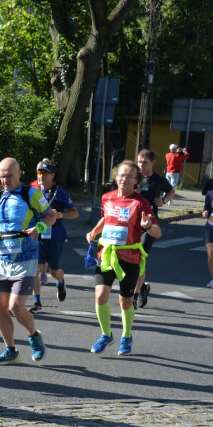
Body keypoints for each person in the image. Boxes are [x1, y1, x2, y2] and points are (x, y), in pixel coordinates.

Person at [0, 158, 56, 364]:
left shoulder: (32, 194)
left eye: (9, 176)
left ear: (19, 173)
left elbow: (51, 216)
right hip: (2, 258)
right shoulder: (1, 196)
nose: (4, 180)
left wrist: (38, 228)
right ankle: (11, 350)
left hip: (26, 259)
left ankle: (33, 335)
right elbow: (3, 225)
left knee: (15, 306)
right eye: (1, 176)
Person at [86, 161, 161, 355]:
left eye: (129, 176)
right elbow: (106, 217)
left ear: (136, 180)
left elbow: (157, 232)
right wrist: (94, 231)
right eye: (120, 174)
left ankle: (126, 336)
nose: (123, 179)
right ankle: (106, 334)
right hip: (107, 254)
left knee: (124, 301)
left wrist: (147, 226)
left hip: (130, 257)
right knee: (100, 296)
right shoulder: (107, 197)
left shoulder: (140, 203)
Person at [29, 160, 77, 313]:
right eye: (39, 172)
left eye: (45, 173)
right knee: (34, 269)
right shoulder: (32, 190)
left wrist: (61, 214)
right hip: (37, 235)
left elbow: (75, 213)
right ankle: (37, 303)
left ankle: (60, 281)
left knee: (54, 271)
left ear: (52, 175)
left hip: (55, 235)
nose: (41, 176)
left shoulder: (60, 193)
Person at [134, 149, 174, 308]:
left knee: (140, 257)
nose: (141, 165)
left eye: (144, 162)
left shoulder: (158, 180)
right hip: (132, 224)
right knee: (128, 261)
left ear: (152, 163)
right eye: (138, 162)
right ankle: (143, 287)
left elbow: (171, 190)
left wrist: (163, 201)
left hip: (149, 225)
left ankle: (135, 294)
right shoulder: (134, 178)